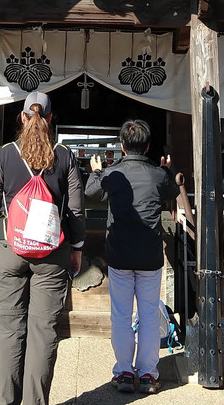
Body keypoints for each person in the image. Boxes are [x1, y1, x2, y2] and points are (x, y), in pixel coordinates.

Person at [0, 91, 86, 405]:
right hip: (52, 252)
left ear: (23, 117)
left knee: (8, 332)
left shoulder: (5, 154)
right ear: (51, 119)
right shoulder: (64, 156)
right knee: (43, 333)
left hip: (9, 247)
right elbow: (76, 210)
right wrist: (77, 247)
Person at [85, 119, 179, 395]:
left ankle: (124, 371)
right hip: (150, 256)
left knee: (121, 315)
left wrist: (96, 171)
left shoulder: (113, 174)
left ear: (122, 147)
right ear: (147, 146)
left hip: (120, 256)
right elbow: (173, 191)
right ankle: (149, 374)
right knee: (149, 315)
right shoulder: (157, 174)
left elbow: (91, 191)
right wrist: (167, 169)